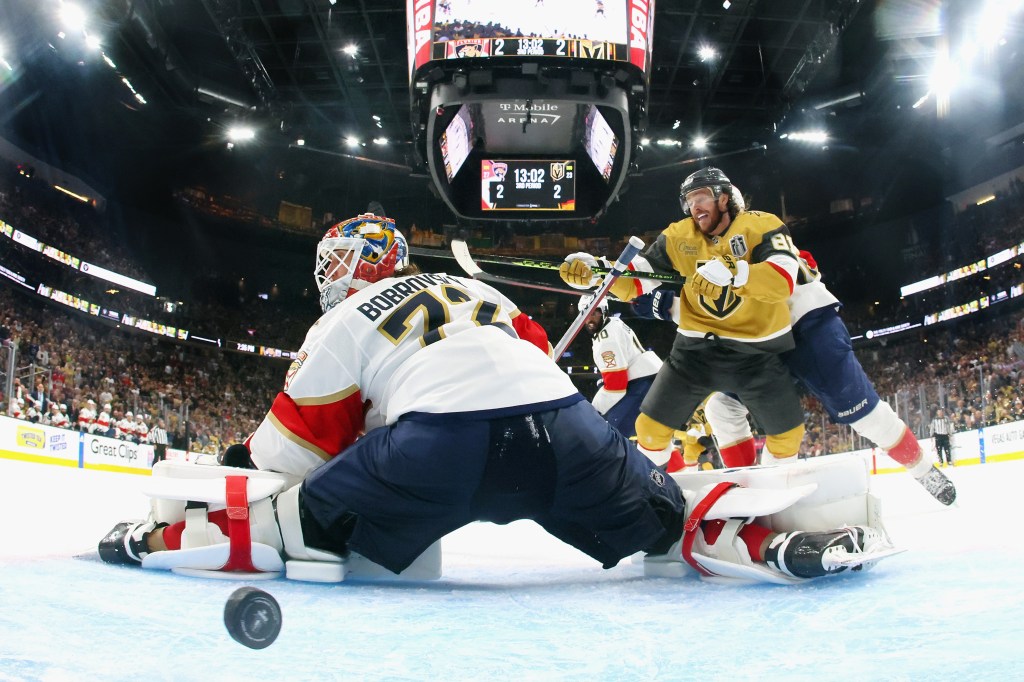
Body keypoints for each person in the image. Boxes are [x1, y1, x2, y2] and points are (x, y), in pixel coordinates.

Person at [98, 212, 894, 584]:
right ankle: (764, 544)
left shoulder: (343, 316)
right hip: (565, 429)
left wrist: (252, 476)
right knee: (665, 522)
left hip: (436, 450)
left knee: (283, 520)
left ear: (345, 272)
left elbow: (281, 457)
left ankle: (161, 541)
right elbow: (530, 369)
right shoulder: (476, 291)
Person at [633, 246, 957, 505]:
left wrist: (670, 303)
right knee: (722, 408)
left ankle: (923, 470)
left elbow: (792, 272)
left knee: (862, 412)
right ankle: (752, 488)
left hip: (805, 326)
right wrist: (648, 294)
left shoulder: (759, 239)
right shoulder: (705, 247)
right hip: (758, 345)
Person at [559, 167, 806, 470]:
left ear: (725, 198)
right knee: (649, 431)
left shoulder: (763, 225)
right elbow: (637, 279)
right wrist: (598, 274)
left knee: (788, 437)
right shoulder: (679, 235)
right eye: (689, 201)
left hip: (757, 351)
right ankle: (663, 493)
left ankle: (771, 497)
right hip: (694, 351)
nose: (694, 207)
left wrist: (735, 272)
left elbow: (783, 280)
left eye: (701, 198)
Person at [578, 294, 662, 440]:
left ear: (603, 312)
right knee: (648, 437)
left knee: (611, 437)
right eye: (585, 314)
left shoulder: (606, 341)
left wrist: (593, 410)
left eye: (593, 313)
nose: (589, 319)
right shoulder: (614, 322)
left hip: (640, 385)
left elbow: (616, 386)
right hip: (647, 378)